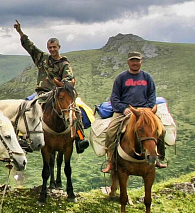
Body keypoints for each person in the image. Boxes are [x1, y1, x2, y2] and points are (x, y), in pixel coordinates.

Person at [14, 20, 89, 153]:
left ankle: (80, 138)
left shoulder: (64, 63)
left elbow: (68, 78)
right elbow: (30, 47)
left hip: (58, 94)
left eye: (54, 47)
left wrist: (62, 85)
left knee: (76, 110)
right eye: (50, 47)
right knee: (26, 107)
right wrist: (20, 32)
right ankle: (23, 138)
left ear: (59, 47)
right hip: (42, 93)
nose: (52, 49)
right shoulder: (42, 58)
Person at [102, 50, 166, 172]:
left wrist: (146, 109)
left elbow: (152, 96)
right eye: (132, 60)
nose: (135, 63)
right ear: (128, 62)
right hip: (124, 111)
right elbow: (114, 97)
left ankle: (158, 157)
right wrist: (124, 109)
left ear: (141, 62)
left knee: (161, 130)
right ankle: (111, 161)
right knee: (110, 132)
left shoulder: (147, 77)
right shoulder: (121, 78)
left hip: (145, 111)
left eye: (137, 60)